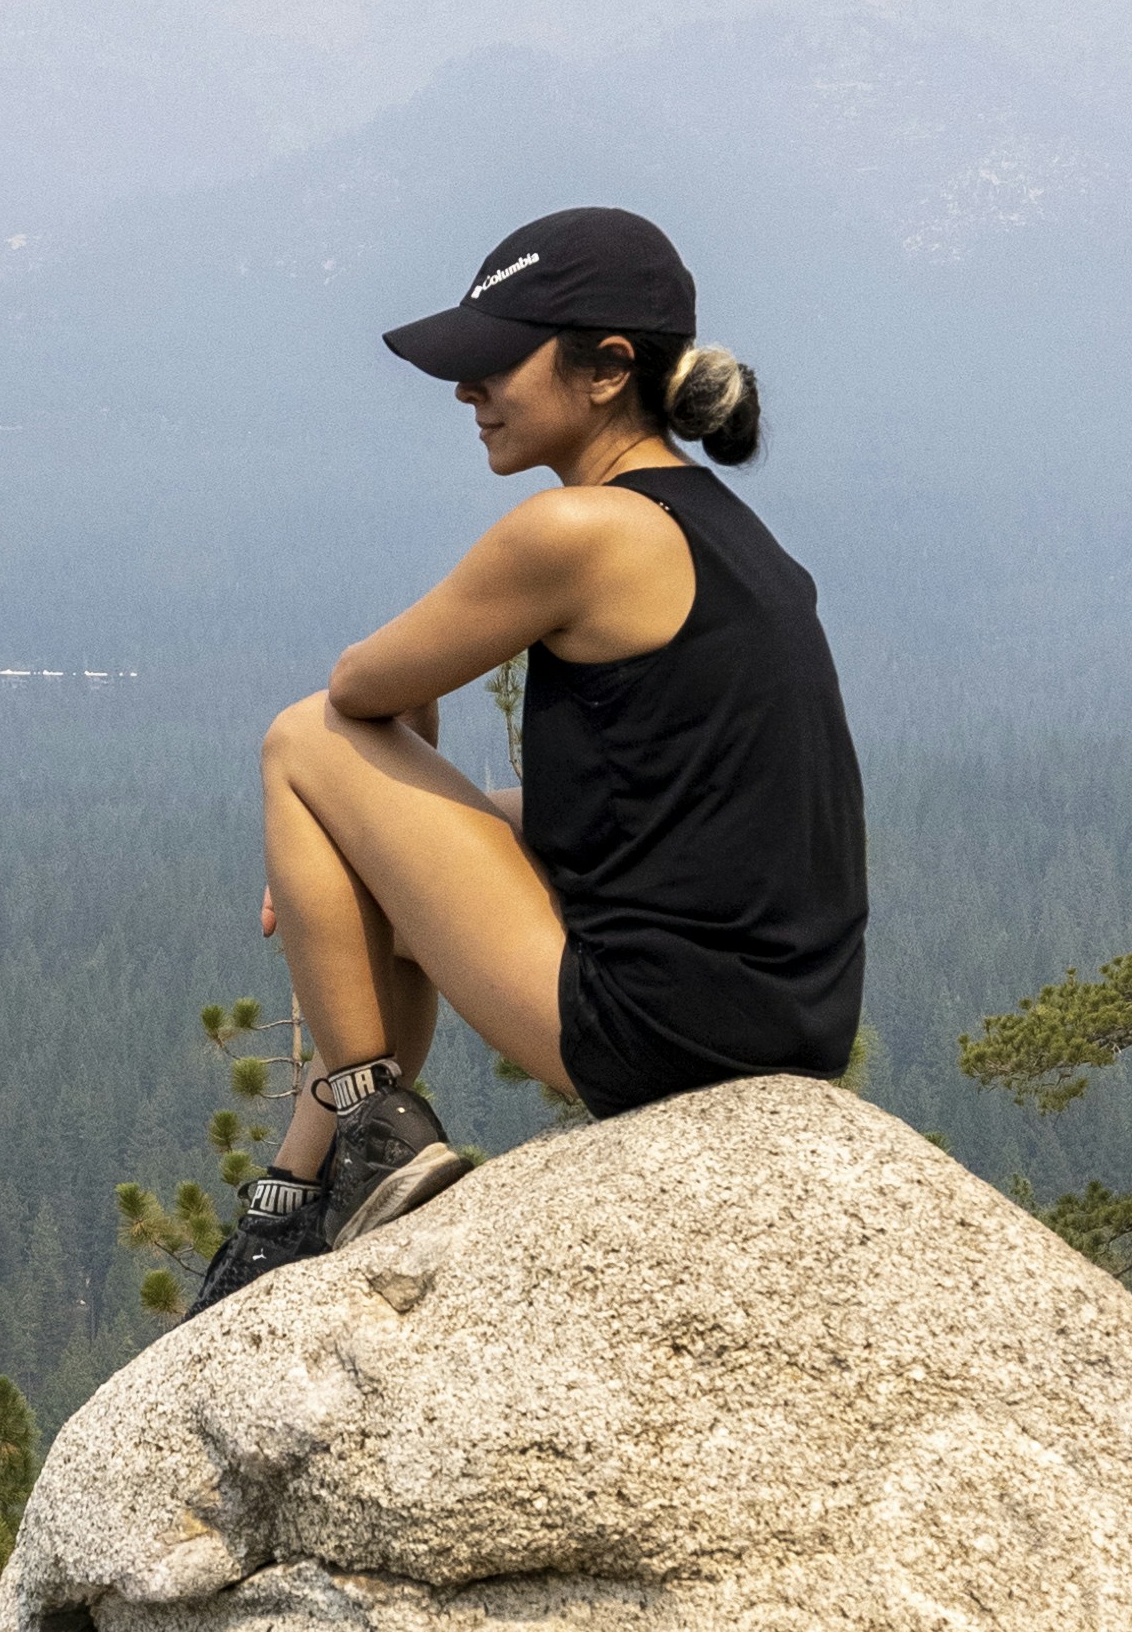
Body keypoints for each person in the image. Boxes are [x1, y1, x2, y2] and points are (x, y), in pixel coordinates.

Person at [184, 197, 870, 1310]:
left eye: (496, 363)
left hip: (656, 1030)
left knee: (300, 735)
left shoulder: (575, 531)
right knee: (359, 804)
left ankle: (351, 1141)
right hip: (784, 1022)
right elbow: (663, 812)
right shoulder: (729, 535)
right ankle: (315, 1173)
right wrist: (368, 845)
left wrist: (340, 827)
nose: (468, 391)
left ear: (605, 368)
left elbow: (358, 692)